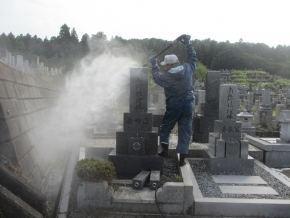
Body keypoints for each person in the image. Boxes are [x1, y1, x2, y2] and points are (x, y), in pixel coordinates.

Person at [149, 34, 197, 166]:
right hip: (188, 104)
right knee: (185, 130)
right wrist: (187, 43)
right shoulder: (188, 69)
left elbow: (157, 78)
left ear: (169, 64)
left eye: (165, 65)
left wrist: (154, 64)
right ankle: (182, 159)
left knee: (165, 128)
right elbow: (193, 57)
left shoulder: (168, 76)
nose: (165, 67)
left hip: (174, 105)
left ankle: (164, 151)